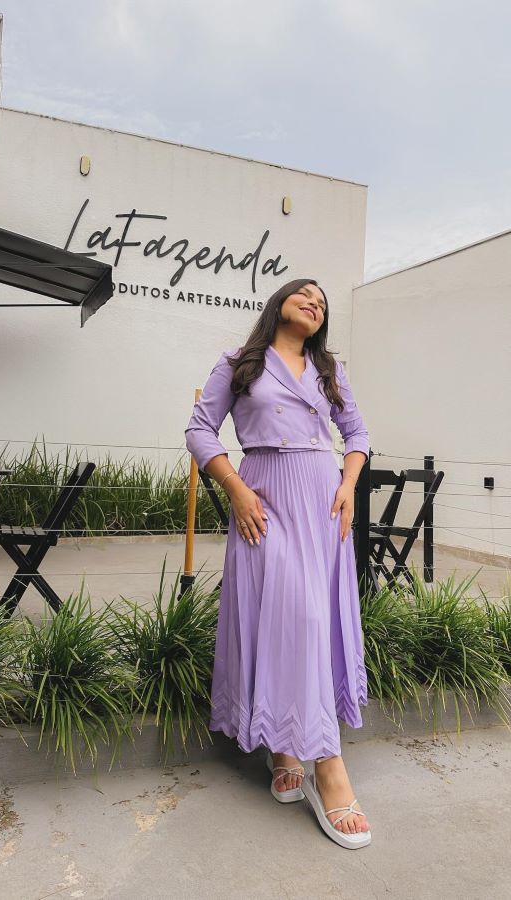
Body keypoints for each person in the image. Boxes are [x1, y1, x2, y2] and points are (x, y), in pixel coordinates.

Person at [184, 278, 372, 849]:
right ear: (279, 304)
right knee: (294, 619)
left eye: (322, 301)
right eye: (304, 293)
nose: (315, 301)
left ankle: (290, 748)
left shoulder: (329, 370)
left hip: (323, 505)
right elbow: (199, 431)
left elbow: (357, 434)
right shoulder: (239, 363)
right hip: (264, 502)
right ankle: (327, 766)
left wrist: (349, 484)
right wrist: (238, 491)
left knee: (312, 620)